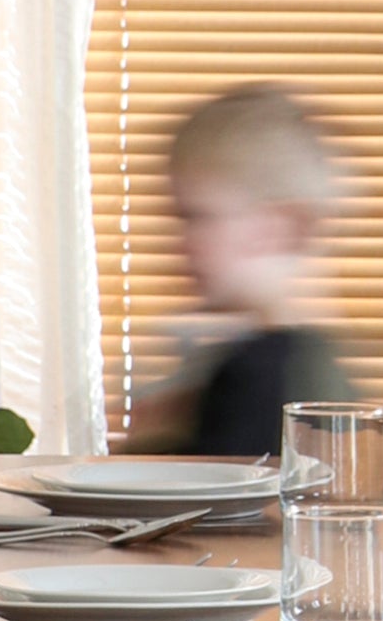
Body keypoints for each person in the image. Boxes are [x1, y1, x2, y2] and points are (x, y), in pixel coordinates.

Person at [127, 83, 360, 456]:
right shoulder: (316, 365)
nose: (179, 242)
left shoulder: (256, 378)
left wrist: (154, 444)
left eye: (197, 217)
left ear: (284, 225)